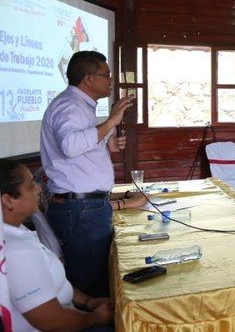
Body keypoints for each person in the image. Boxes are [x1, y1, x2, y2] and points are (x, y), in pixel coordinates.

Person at [41, 51, 147, 298]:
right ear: (88, 79)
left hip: (86, 206)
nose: (111, 80)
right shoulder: (70, 106)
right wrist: (111, 122)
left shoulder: (79, 106)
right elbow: (70, 146)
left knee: (96, 276)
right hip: (81, 209)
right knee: (92, 284)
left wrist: (105, 144)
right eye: (107, 75)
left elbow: (79, 149)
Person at [1, 159, 114, 331]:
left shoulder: (17, 230)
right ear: (9, 200)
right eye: (31, 186)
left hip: (72, 312)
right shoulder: (15, 251)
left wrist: (88, 302)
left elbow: (53, 282)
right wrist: (96, 318)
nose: (39, 189)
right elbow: (52, 322)